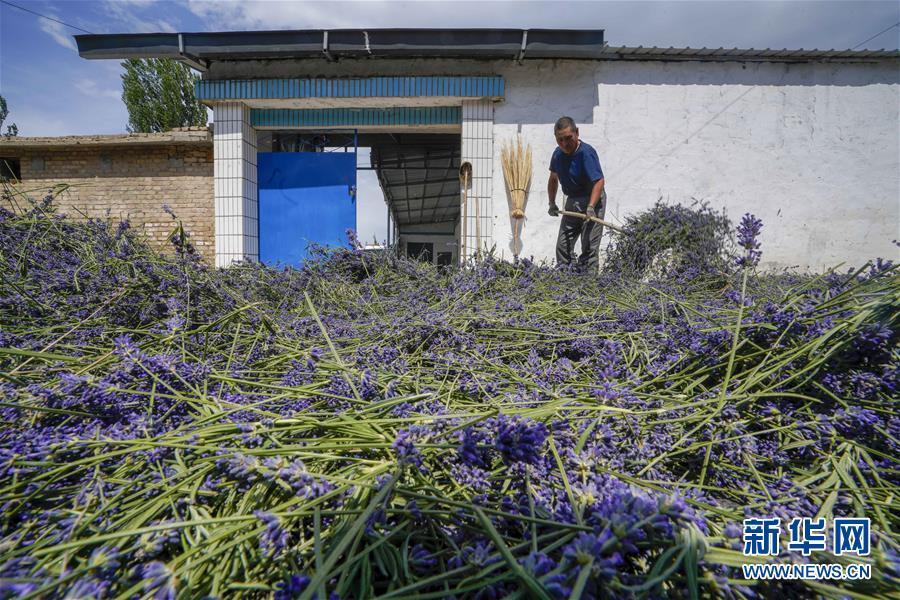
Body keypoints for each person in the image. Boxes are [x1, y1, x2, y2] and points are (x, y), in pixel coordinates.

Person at [547, 116, 607, 271]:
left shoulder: (586, 153)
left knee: (589, 246)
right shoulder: (557, 155)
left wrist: (591, 207)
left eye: (568, 138)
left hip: (593, 199)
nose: (565, 144)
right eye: (560, 140)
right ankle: (567, 282)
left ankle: (590, 286)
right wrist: (551, 203)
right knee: (563, 245)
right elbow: (553, 179)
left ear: (577, 133)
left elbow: (599, 182)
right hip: (572, 200)